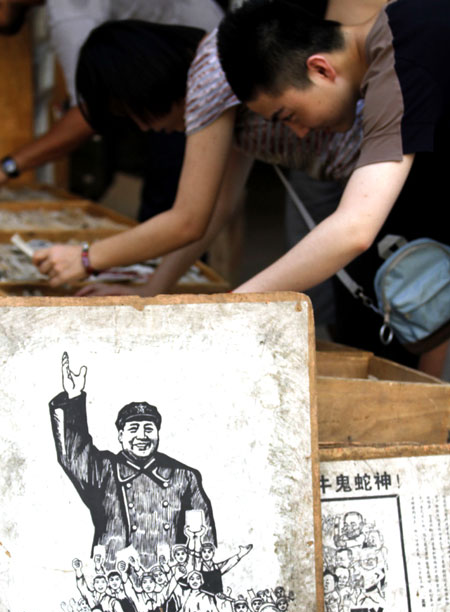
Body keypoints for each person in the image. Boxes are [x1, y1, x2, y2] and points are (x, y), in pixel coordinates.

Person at [32, 1, 379, 295]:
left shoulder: (209, 76)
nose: (144, 128)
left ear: (139, 82)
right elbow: (216, 209)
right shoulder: (221, 79)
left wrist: (87, 258)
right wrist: (151, 291)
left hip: (379, 171)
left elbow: (187, 221)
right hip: (362, 180)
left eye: (131, 113)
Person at [217, 0, 450, 372]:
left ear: (321, 68)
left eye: (288, 115)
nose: (299, 132)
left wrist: (231, 304)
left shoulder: (397, 64)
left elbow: (355, 229)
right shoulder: (404, 26)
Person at [0, 0, 223, 214]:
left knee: (171, 205)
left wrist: (8, 167)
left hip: (192, 77)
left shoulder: (69, 12)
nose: (143, 127)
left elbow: (86, 115)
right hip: (197, 65)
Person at [49, 351, 216, 569]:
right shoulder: (104, 470)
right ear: (120, 436)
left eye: (149, 429)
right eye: (134, 429)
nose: (142, 436)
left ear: (158, 433)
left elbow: (204, 539)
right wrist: (74, 399)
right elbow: (73, 454)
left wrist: (202, 582)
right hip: (115, 579)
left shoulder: (184, 477)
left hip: (169, 580)